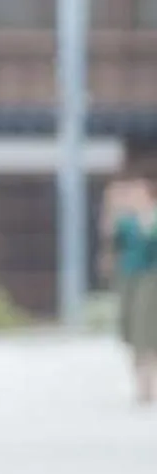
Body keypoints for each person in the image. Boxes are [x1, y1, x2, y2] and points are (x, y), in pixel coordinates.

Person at [106, 167, 157, 406]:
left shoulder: (153, 219)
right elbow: (112, 242)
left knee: (146, 327)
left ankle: (147, 385)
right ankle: (141, 383)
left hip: (151, 277)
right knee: (130, 327)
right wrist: (112, 207)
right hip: (129, 277)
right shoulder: (126, 222)